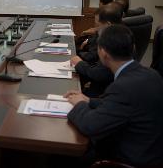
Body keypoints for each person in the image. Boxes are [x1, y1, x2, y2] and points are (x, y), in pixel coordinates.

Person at [65, 25, 163, 167]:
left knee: (61, 158)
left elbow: (89, 125)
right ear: (133, 48)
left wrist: (79, 104)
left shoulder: (123, 87)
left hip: (129, 159)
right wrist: (89, 100)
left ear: (103, 53)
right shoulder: (152, 74)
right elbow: (126, 106)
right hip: (152, 152)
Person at [71, 3, 123, 97]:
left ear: (108, 25)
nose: (96, 29)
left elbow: (100, 73)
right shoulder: (122, 34)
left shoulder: (113, 42)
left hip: (103, 94)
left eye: (98, 25)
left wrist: (79, 63)